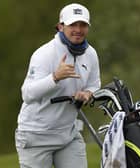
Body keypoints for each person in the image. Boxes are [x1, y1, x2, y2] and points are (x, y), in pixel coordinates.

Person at [15, 3, 101, 168]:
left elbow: (94, 84)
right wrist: (55, 77)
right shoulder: (44, 54)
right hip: (35, 135)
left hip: (68, 134)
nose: (78, 29)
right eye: (72, 24)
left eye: (82, 25)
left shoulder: (90, 53)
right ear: (61, 26)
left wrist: (88, 94)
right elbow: (27, 94)